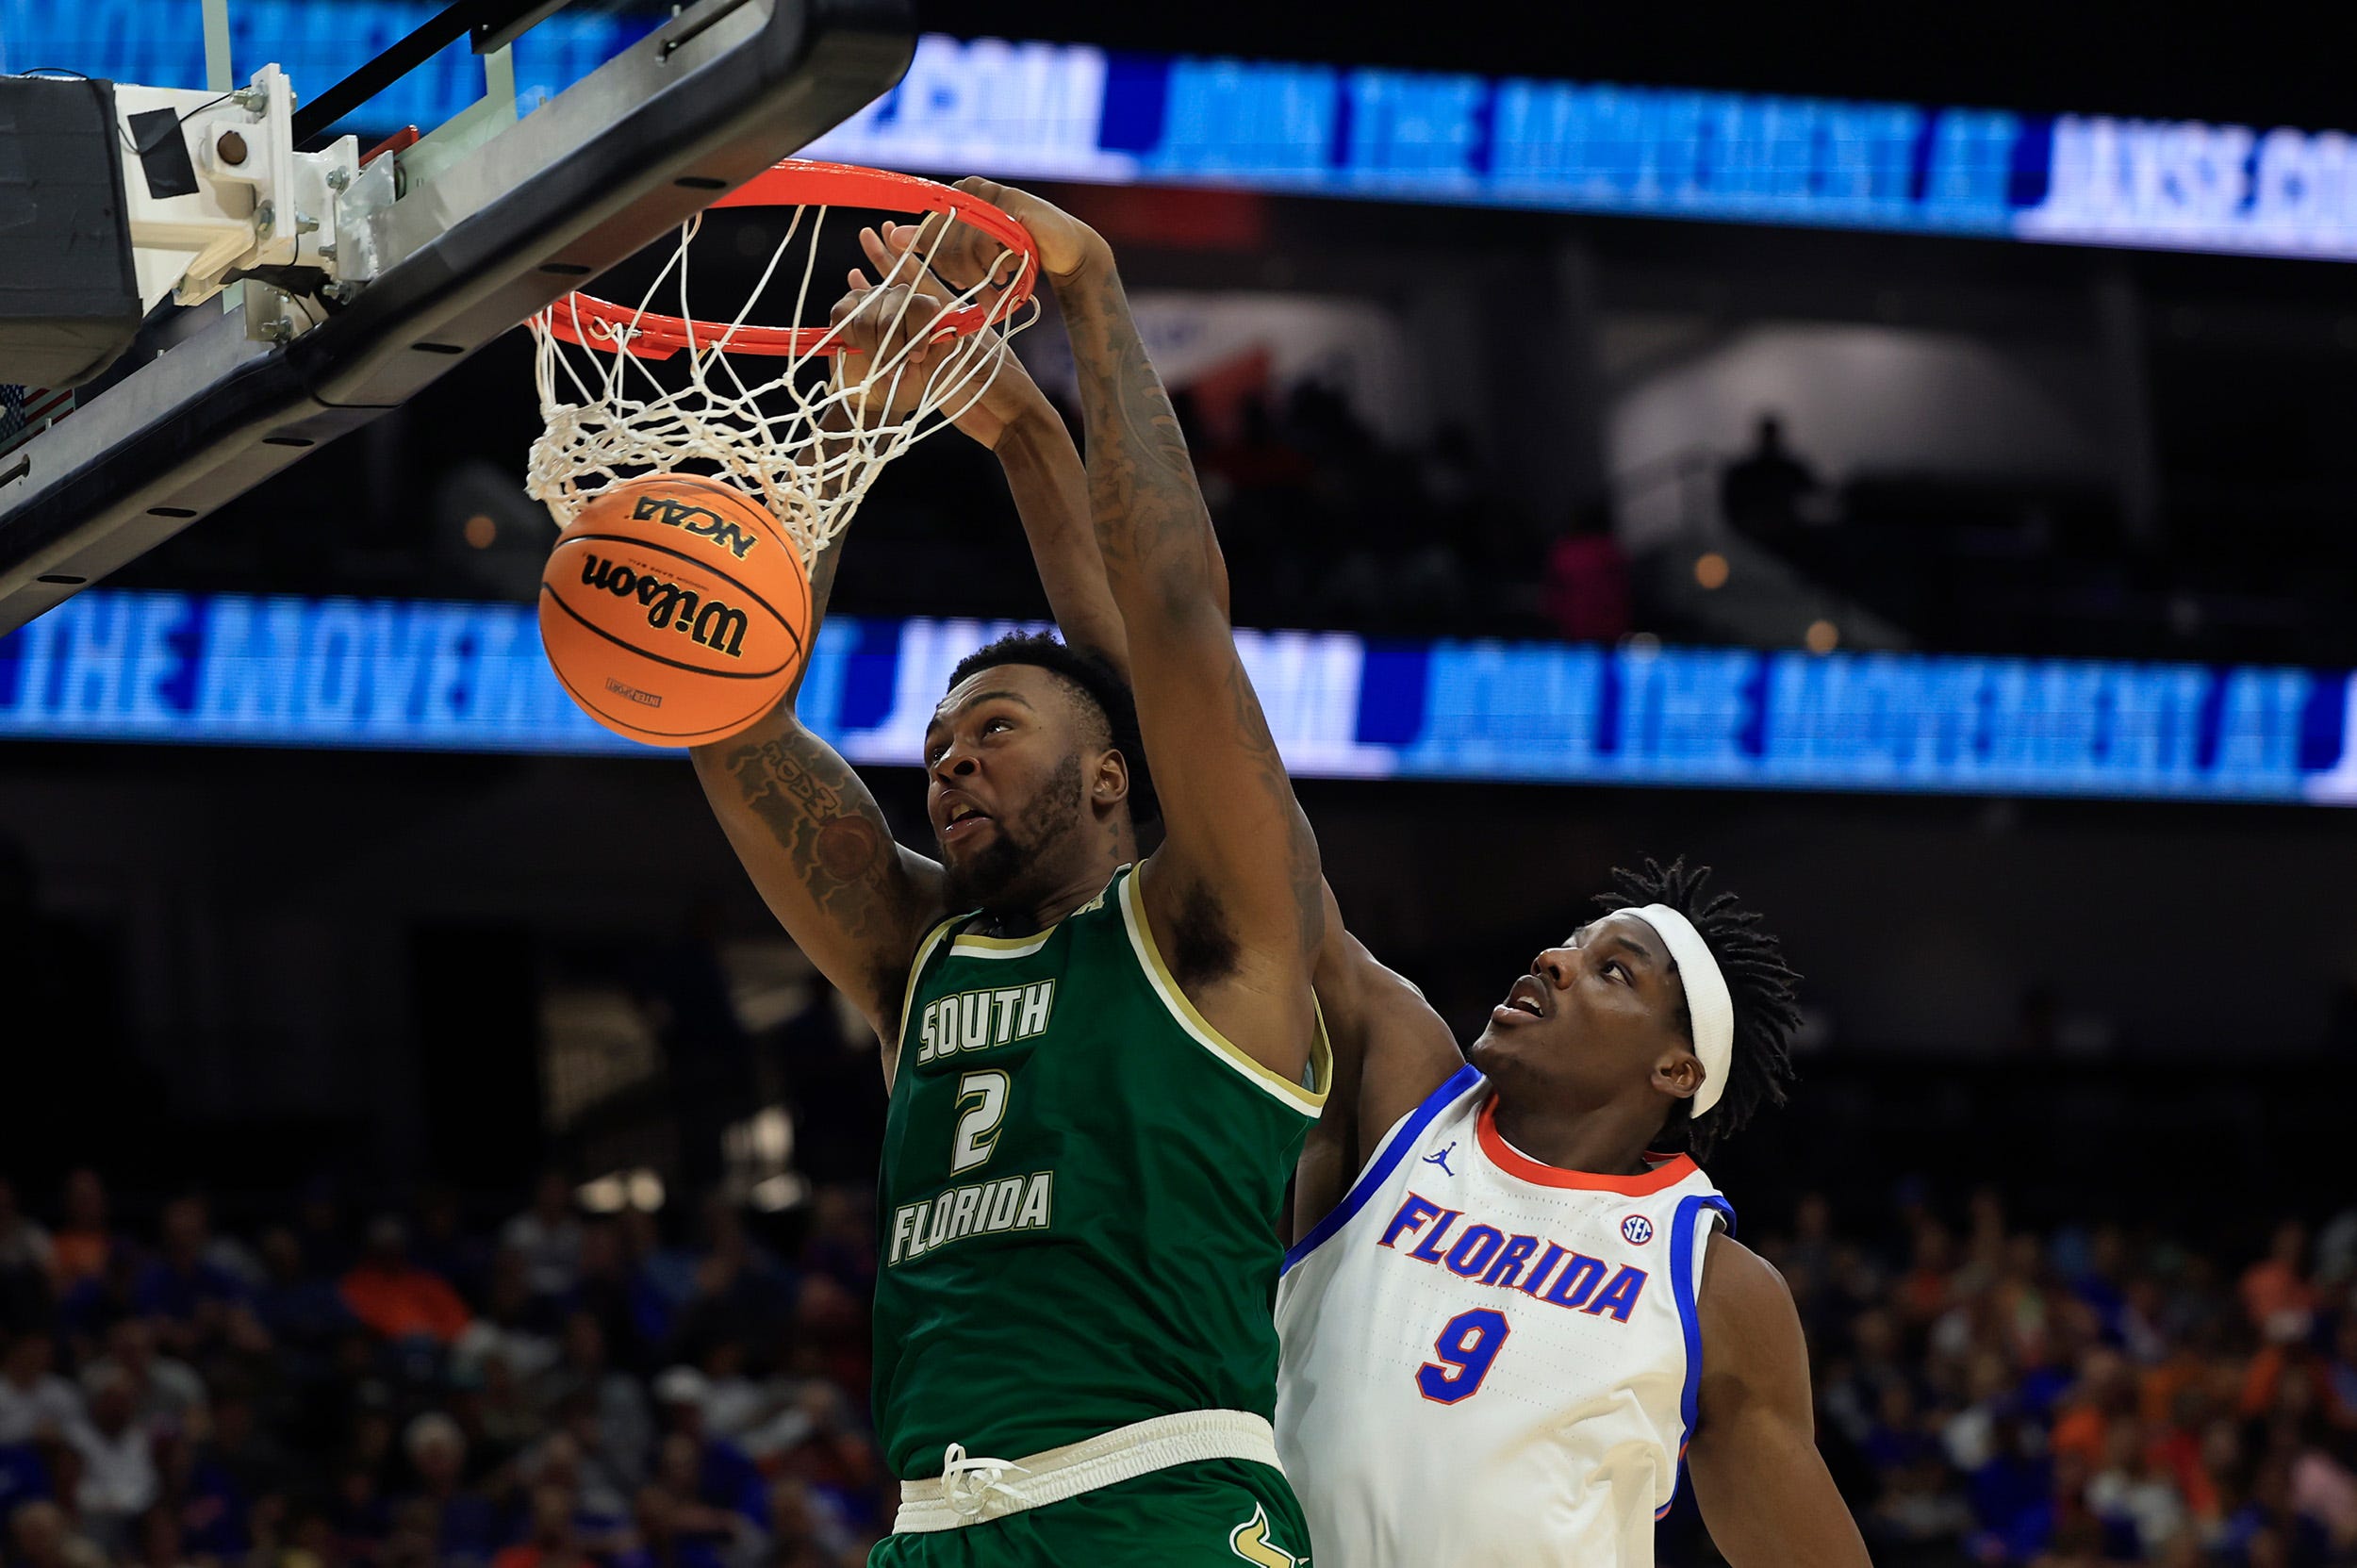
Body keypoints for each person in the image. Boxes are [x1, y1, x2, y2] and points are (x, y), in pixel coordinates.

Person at [845, 194, 1869, 1568]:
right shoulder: (1400, 1090)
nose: (1557, 961)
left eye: (1614, 968)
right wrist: (1030, 435)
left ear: (1680, 1072)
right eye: (1572, 941)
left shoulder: (1711, 1283)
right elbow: (1170, 691)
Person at [691, 186, 1330, 1563]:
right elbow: (732, 716)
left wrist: (1090, 293)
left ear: (1110, 774)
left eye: (994, 730)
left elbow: (1168, 617)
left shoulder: (1213, 927)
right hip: (934, 1524)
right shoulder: (916, 952)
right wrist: (852, 426)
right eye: (935, 744)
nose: (950, 764)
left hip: (1158, 1500)